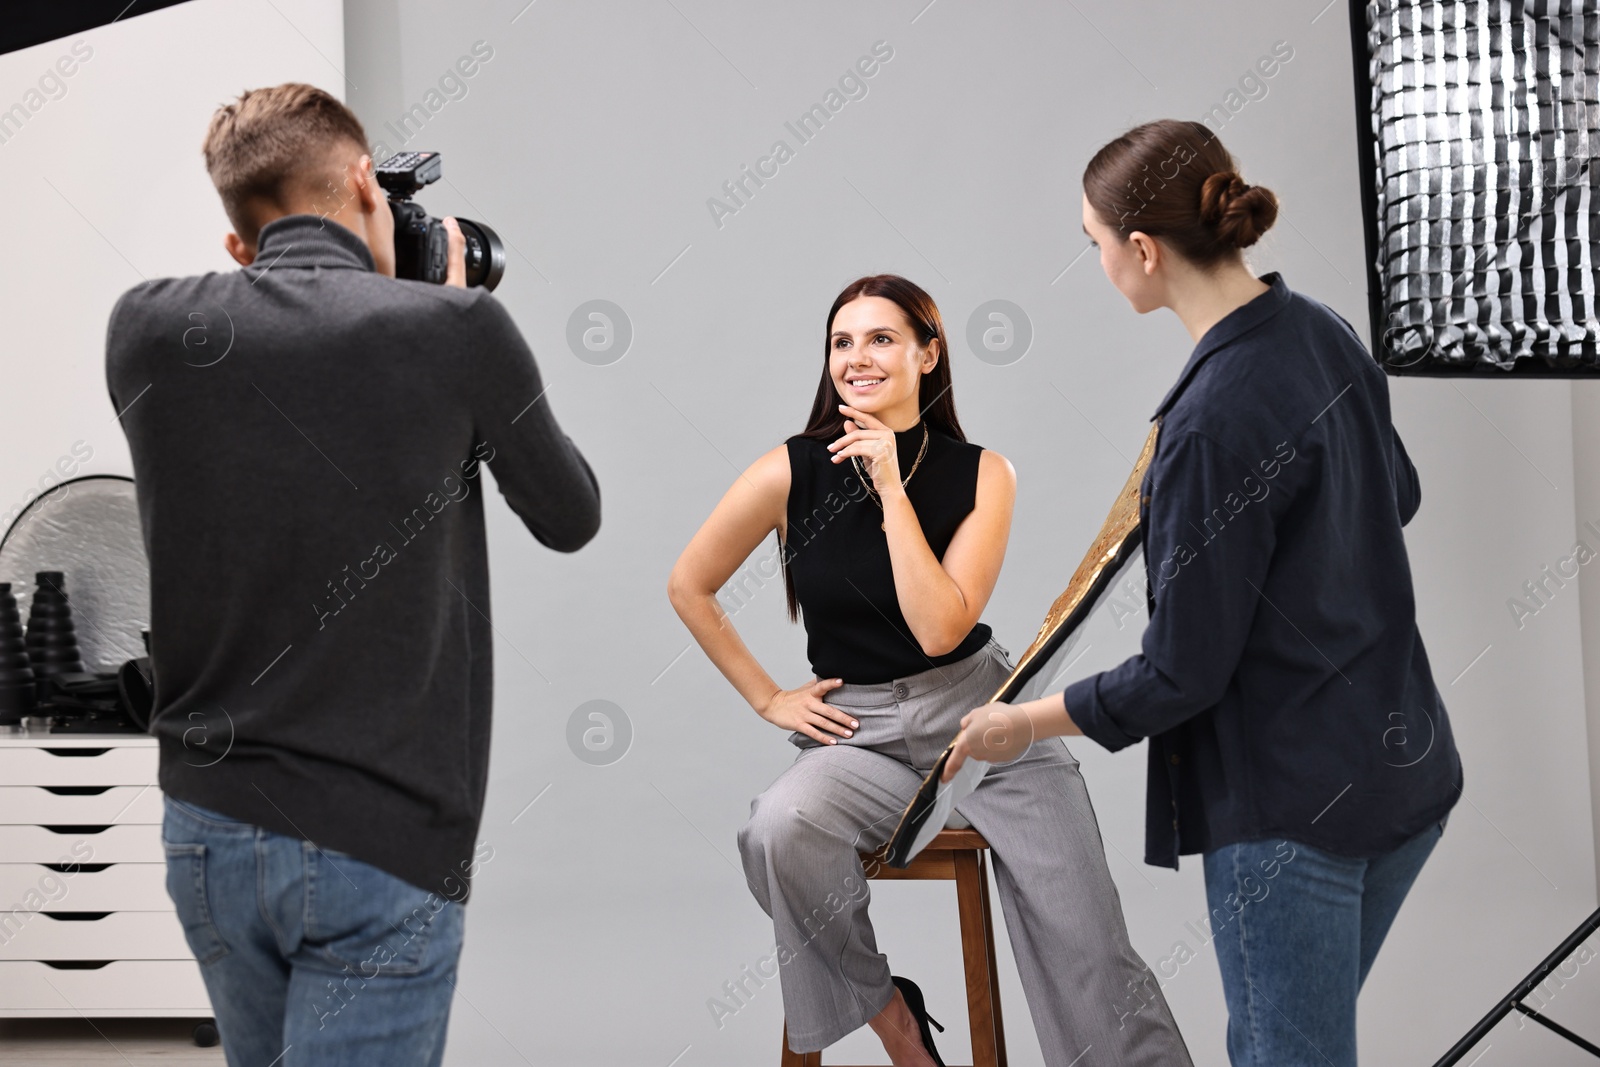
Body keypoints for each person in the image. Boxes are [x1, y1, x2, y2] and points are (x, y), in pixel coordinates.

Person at [945, 119, 1463, 1067]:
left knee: (1279, 1050)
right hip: (1408, 772)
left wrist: (1018, 724)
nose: (1098, 262)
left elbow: (1179, 675)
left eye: (1095, 243)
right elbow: (1400, 493)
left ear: (1142, 251)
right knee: (1273, 1039)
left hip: (1293, 817)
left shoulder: (1203, 429)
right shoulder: (1321, 331)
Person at [104, 84, 600, 1066]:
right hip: (382, 838)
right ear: (366, 180)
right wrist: (444, 304)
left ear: (238, 237)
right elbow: (569, 511)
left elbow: (287, 370)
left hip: (209, 829)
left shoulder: (145, 329)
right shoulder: (454, 332)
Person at [667, 274, 1193, 1067]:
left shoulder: (985, 474)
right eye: (842, 342)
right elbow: (689, 584)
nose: (857, 358)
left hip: (987, 724)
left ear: (928, 352)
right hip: (861, 736)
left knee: (1091, 949)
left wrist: (888, 485)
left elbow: (940, 626)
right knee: (779, 829)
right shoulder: (790, 470)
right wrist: (768, 696)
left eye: (880, 338)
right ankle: (896, 1026)